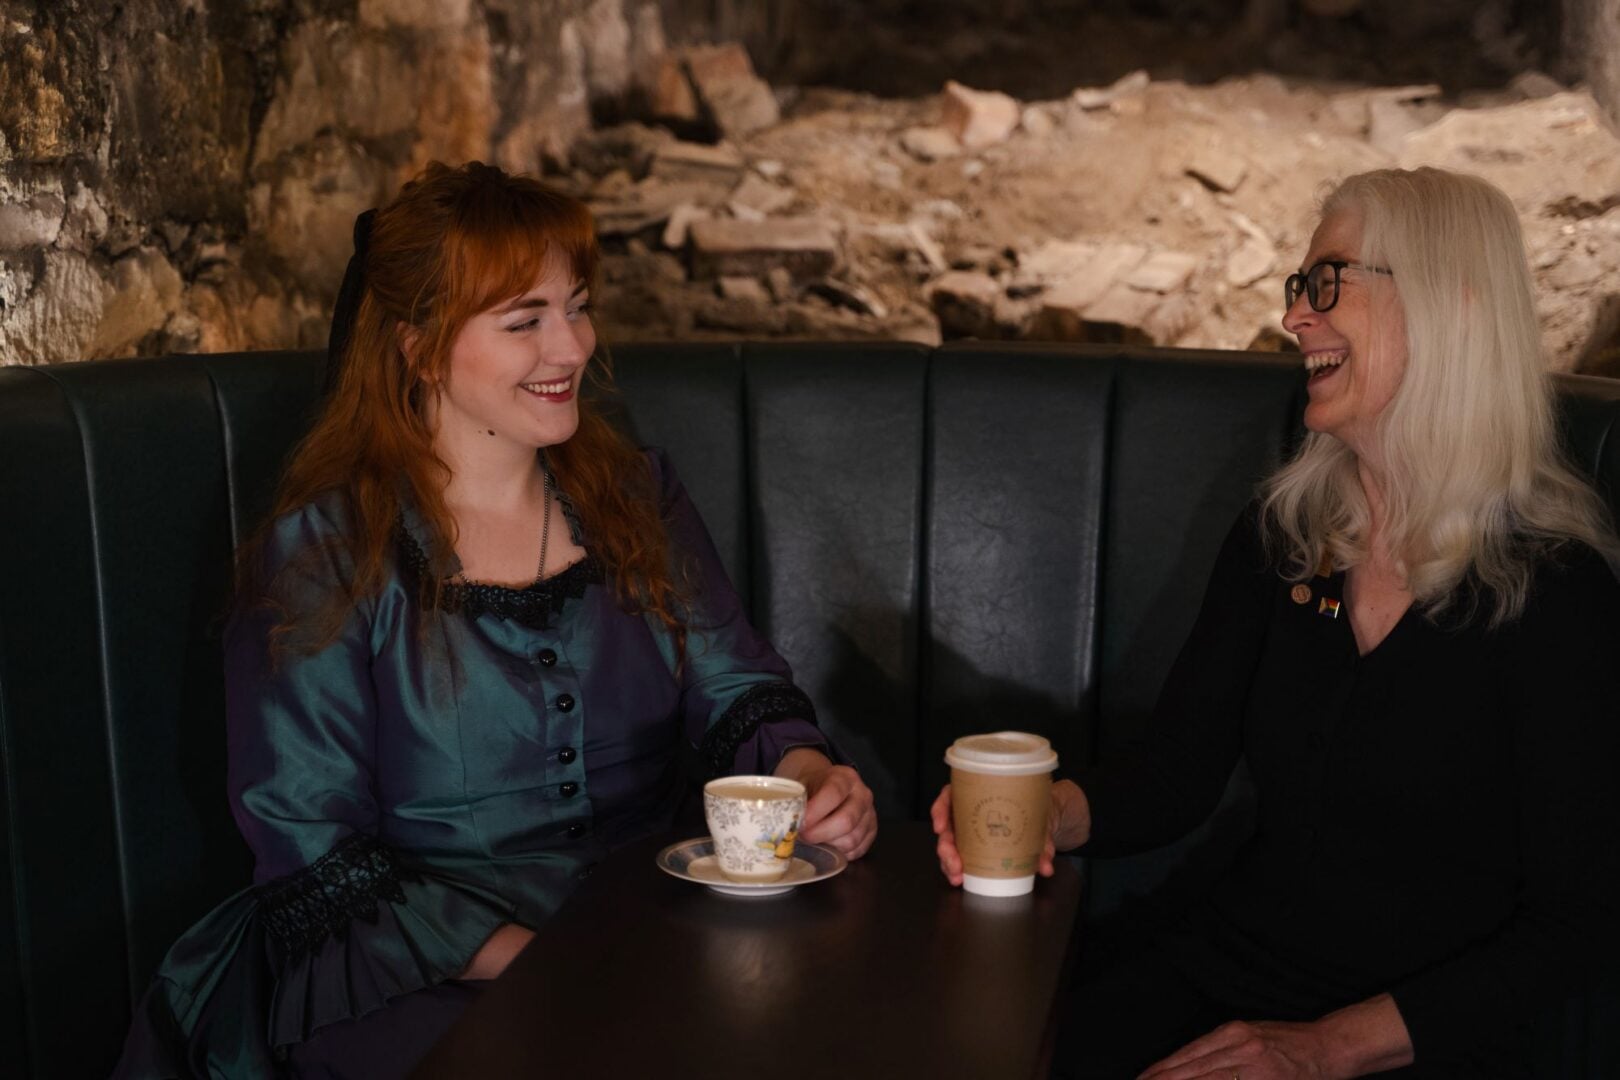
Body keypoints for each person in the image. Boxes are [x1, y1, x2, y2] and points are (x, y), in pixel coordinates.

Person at [115, 160, 876, 1079]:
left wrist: (807, 776)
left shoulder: (638, 497)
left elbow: (737, 688)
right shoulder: (324, 555)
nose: (572, 347)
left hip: (649, 925)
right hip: (406, 970)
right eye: (525, 321)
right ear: (418, 345)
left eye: (577, 307)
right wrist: (567, 970)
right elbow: (314, 845)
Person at [932, 166, 1620, 1079]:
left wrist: (1325, 1050)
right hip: (1228, 971)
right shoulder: (1287, 536)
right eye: (1300, 286)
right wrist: (1041, 815)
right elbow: (1174, 777)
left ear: (1451, 305)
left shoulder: (1557, 592)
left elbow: (1576, 923)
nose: (1295, 316)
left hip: (1421, 1038)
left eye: (1327, 282)